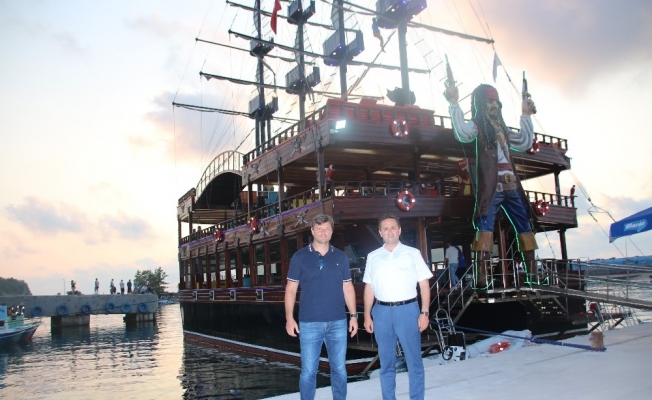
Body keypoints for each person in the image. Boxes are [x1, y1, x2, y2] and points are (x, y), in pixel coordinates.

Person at [445, 83, 539, 287]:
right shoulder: (478, 126)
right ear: (481, 104)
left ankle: (533, 274)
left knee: (524, 227)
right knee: (484, 228)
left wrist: (526, 115)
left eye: (496, 101)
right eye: (489, 101)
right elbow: (462, 132)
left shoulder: (502, 128)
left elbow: (524, 142)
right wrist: (454, 103)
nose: (494, 105)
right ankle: (481, 277)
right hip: (492, 187)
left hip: (511, 185)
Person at [285, 213, 358, 400]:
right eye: (319, 229)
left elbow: (348, 287)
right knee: (308, 372)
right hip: (309, 323)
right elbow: (291, 289)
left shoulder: (341, 257)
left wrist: (354, 316)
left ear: (332, 232)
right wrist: (289, 318)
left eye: (327, 229)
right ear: (312, 231)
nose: (323, 232)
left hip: (338, 322)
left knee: (339, 369)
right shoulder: (299, 257)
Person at [363, 213, 433, 400]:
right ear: (380, 233)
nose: (390, 231)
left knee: (414, 361)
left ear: (399, 230)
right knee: (386, 363)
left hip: (408, 311)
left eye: (393, 227)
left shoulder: (413, 253)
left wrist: (425, 312)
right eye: (385, 228)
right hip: (381, 313)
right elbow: (369, 287)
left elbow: (424, 284)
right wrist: (367, 315)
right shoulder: (373, 257)